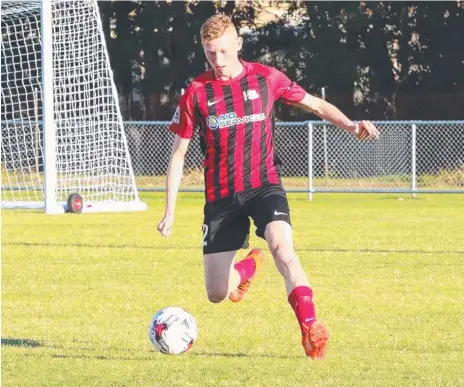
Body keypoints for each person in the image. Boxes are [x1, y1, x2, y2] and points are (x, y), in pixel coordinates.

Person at [157, 14, 380, 359]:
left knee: (283, 249)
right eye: (210, 53)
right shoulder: (196, 93)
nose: (218, 60)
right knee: (216, 293)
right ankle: (249, 266)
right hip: (221, 199)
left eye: (223, 51)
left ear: (238, 44)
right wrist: (169, 211)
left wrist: (352, 126)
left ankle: (310, 330)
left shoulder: (266, 78)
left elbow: (315, 104)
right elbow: (178, 154)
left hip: (264, 186)